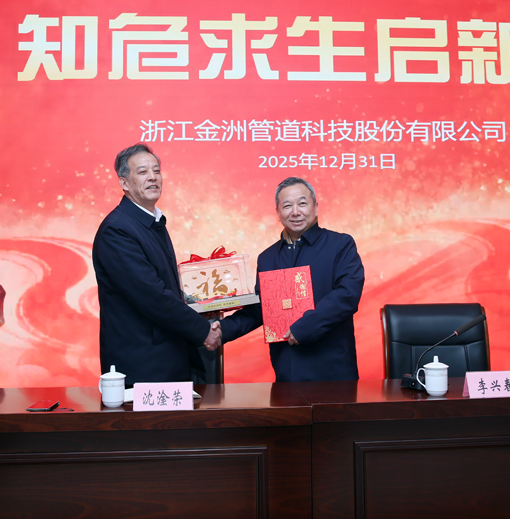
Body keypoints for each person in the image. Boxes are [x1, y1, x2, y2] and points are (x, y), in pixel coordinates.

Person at [93, 144, 221, 386]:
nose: (152, 177)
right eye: (142, 172)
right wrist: (203, 330)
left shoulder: (152, 222)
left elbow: (166, 289)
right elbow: (152, 295)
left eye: (156, 170)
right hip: (143, 365)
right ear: (124, 183)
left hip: (167, 359)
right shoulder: (117, 229)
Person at [220, 177, 364, 382]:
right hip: (287, 371)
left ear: (315, 207)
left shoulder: (340, 245)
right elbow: (261, 309)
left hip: (334, 371)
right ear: (278, 212)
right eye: (287, 206)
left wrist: (304, 328)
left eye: (302, 203)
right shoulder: (267, 258)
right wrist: (220, 331)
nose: (295, 212)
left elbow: (347, 295)